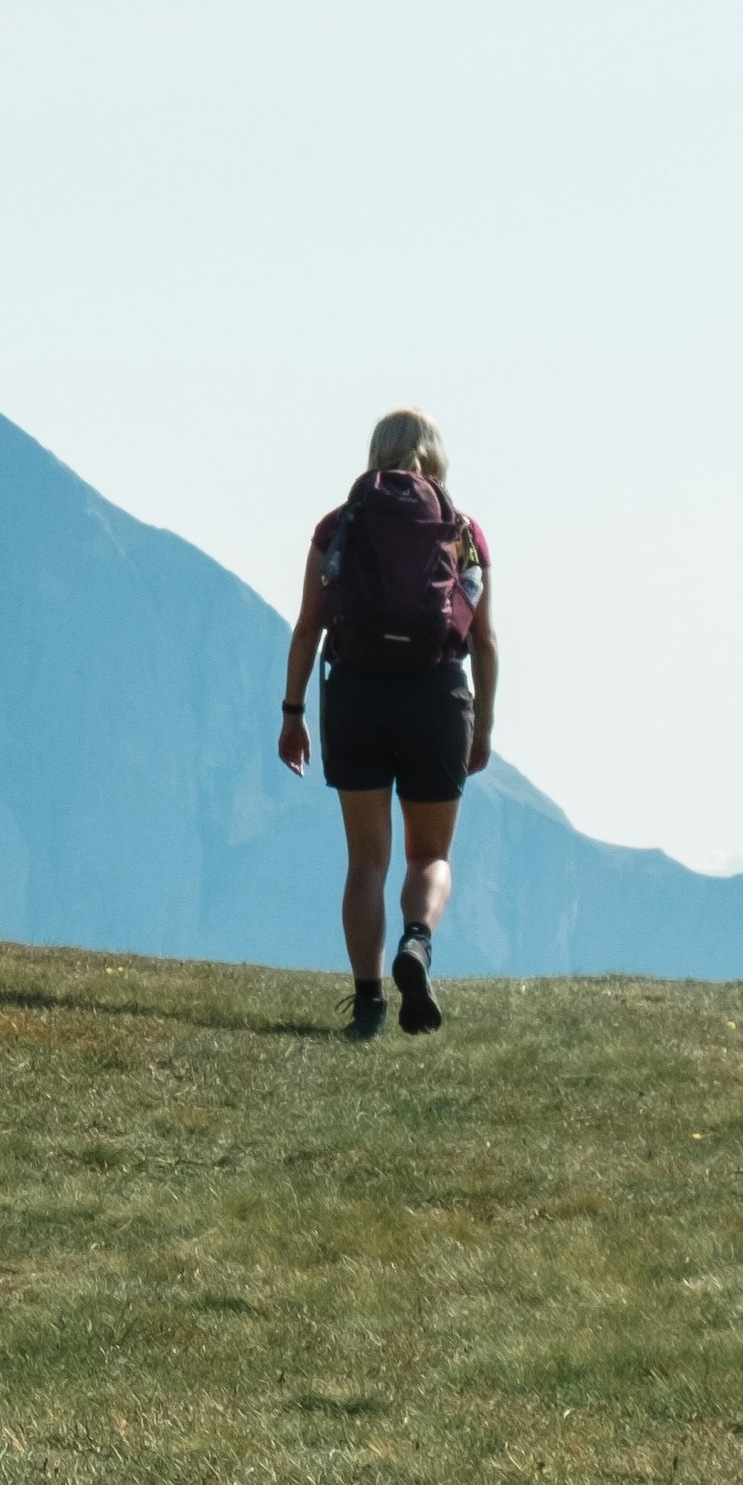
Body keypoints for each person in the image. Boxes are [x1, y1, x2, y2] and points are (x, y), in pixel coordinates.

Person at [276, 409, 495, 1037]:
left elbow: (307, 628)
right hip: (436, 698)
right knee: (429, 855)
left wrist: (292, 714)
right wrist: (481, 725)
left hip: (355, 694)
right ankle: (417, 943)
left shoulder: (339, 525)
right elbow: (485, 640)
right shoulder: (463, 532)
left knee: (366, 860)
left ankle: (369, 1002)